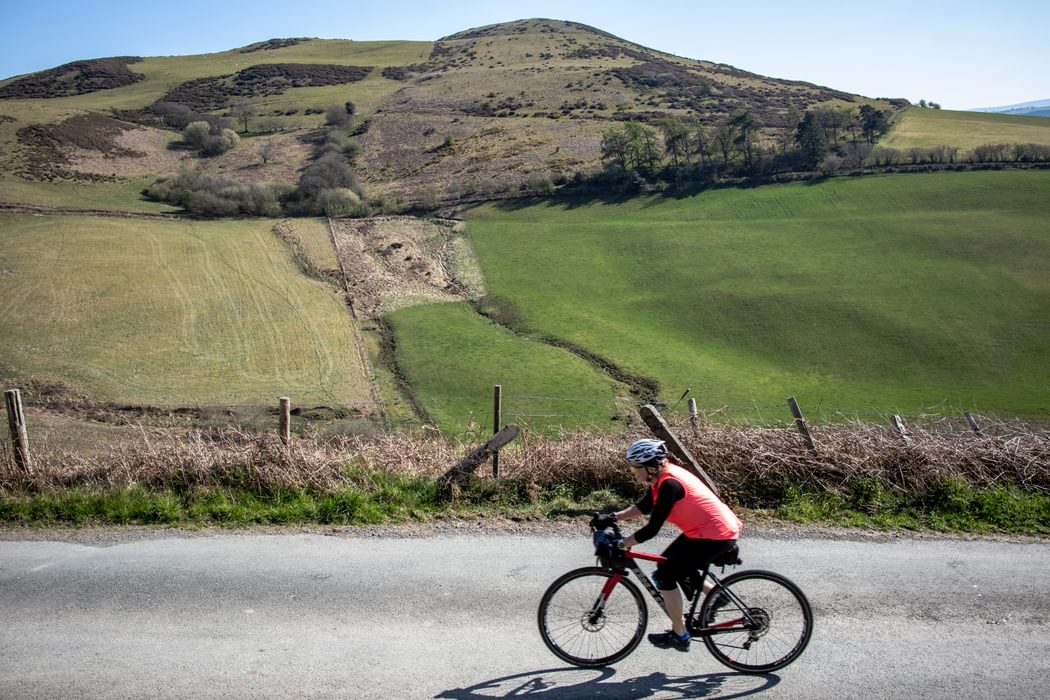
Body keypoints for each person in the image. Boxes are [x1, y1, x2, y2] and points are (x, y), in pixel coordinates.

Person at [593, 438, 743, 651]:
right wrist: (612, 518)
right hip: (704, 531)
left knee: (665, 574)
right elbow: (644, 506)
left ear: (651, 466)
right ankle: (715, 594)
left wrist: (622, 544)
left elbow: (651, 529)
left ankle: (680, 634)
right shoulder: (661, 478)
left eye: (636, 467)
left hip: (715, 535)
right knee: (667, 565)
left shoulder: (669, 485)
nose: (634, 472)